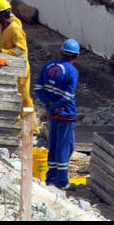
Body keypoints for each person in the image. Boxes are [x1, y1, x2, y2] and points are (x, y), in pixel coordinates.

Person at [35, 38, 80, 190]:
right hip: (66, 114)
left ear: (61, 52)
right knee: (65, 147)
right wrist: (52, 108)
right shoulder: (72, 71)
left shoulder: (47, 66)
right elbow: (67, 97)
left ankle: (51, 178)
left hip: (54, 115)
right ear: (76, 57)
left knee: (53, 145)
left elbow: (39, 89)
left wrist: (49, 106)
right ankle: (62, 181)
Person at [0, 0, 36, 128]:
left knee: (24, 96)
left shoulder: (15, 29)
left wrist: (4, 51)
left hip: (21, 68)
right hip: (8, 66)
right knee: (10, 93)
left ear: (2, 15)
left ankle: (31, 126)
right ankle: (16, 122)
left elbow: (21, 50)